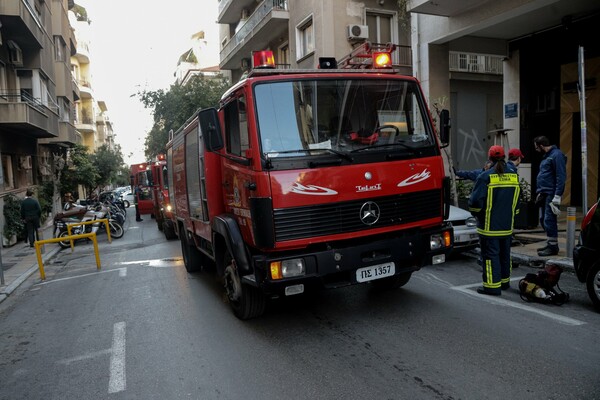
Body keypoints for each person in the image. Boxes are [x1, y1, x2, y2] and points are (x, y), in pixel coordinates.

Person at [468, 145, 520, 295]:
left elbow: (475, 202)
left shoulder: (486, 176)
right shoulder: (513, 175)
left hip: (489, 227)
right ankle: (504, 282)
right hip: (507, 225)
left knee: (490, 256)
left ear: (489, 158)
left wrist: (478, 215)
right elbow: (516, 202)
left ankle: (492, 287)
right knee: (505, 254)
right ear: (504, 157)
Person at [533, 136, 567, 256]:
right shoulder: (547, 156)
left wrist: (557, 195)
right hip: (544, 192)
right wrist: (540, 192)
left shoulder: (556, 155)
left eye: (536, 147)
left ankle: (553, 247)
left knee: (549, 219)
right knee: (543, 219)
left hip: (551, 193)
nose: (536, 150)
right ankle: (550, 242)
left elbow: (560, 176)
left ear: (541, 146)